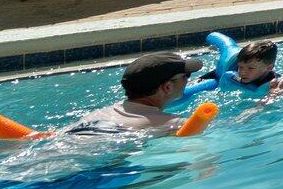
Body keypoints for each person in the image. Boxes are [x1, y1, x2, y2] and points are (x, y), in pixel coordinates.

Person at [59, 52, 205, 136]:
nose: (187, 81)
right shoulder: (174, 124)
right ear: (167, 87)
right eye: (186, 76)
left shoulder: (98, 114)